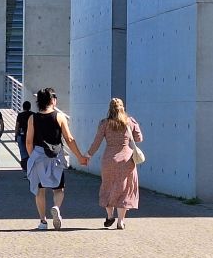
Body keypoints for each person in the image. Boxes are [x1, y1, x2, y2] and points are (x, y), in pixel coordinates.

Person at [26, 87, 88, 230]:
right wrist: (80, 157)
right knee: (59, 188)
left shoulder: (32, 118)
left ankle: (42, 221)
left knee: (40, 190)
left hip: (39, 156)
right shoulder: (59, 117)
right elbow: (69, 139)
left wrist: (32, 157)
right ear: (52, 100)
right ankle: (56, 208)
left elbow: (29, 141)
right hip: (56, 157)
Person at [85, 98, 143, 229]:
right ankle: (120, 221)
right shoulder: (130, 122)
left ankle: (110, 216)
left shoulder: (104, 124)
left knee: (108, 186)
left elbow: (97, 142)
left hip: (109, 160)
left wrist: (87, 155)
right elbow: (139, 138)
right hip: (127, 160)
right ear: (123, 108)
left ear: (109, 109)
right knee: (125, 189)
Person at [16, 101, 34, 176]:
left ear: (23, 107)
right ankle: (32, 171)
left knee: (23, 154)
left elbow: (17, 126)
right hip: (32, 136)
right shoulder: (33, 115)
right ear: (30, 107)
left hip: (22, 135)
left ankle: (26, 171)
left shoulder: (20, 115)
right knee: (31, 154)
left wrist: (16, 135)